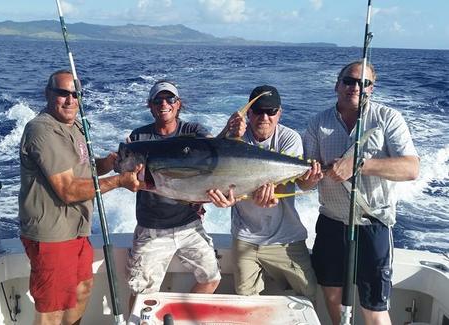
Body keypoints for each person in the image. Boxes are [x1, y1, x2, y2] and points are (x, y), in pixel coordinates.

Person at [18, 70, 144, 325]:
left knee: (83, 289)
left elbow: (82, 169)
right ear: (47, 94)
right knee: (52, 308)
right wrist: (119, 181)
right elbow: (68, 190)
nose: (70, 100)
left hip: (77, 230)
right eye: (63, 93)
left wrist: (107, 164)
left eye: (76, 95)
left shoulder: (75, 126)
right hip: (52, 235)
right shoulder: (42, 131)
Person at [302, 61, 420, 325]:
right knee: (332, 297)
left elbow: (411, 168)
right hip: (331, 224)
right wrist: (310, 178)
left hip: (372, 226)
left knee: (373, 307)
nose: (356, 87)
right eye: (349, 81)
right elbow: (304, 184)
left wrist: (359, 166)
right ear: (337, 85)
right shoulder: (317, 123)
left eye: (364, 83)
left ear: (372, 89)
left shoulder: (388, 118)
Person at [207, 85, 319, 304]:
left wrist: (308, 179)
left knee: (308, 294)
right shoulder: (235, 137)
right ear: (248, 113)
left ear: (280, 113)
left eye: (271, 111)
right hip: (246, 237)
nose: (264, 117)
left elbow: (287, 185)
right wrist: (226, 134)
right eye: (258, 111)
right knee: (245, 300)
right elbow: (210, 164)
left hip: (286, 237)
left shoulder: (289, 138)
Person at [126, 80, 221, 308]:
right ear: (150, 106)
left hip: (190, 225)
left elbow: (215, 151)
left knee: (211, 279)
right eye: (158, 100)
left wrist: (231, 133)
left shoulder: (193, 132)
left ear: (178, 104)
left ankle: (178, 318)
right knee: (142, 295)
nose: (164, 104)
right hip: (152, 229)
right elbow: (124, 172)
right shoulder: (138, 139)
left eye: (170, 99)